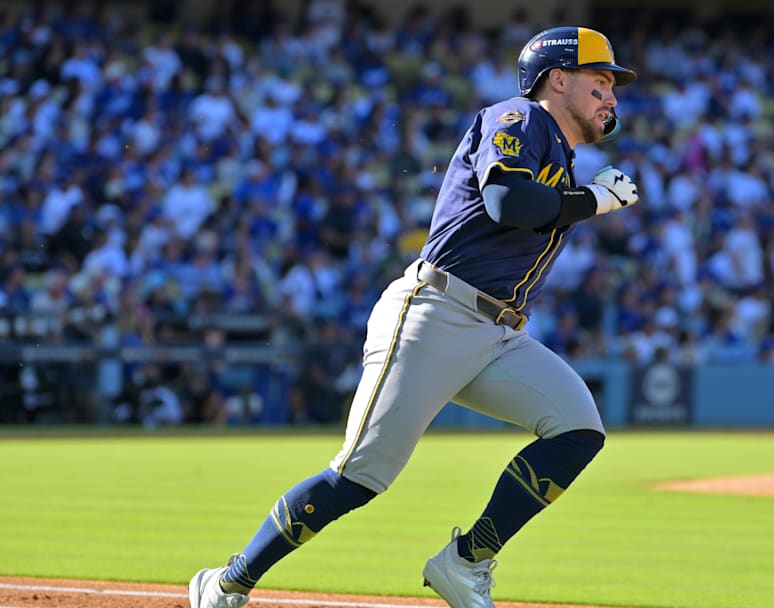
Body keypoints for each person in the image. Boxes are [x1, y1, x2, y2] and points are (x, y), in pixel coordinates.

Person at [188, 26, 638, 608]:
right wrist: (594, 200)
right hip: (436, 312)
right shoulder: (520, 119)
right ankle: (227, 583)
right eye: (599, 81)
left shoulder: (558, 148)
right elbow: (508, 204)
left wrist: (584, 196)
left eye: (611, 86)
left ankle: (466, 561)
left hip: (497, 330)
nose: (612, 96)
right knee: (356, 479)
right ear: (557, 79)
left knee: (579, 430)